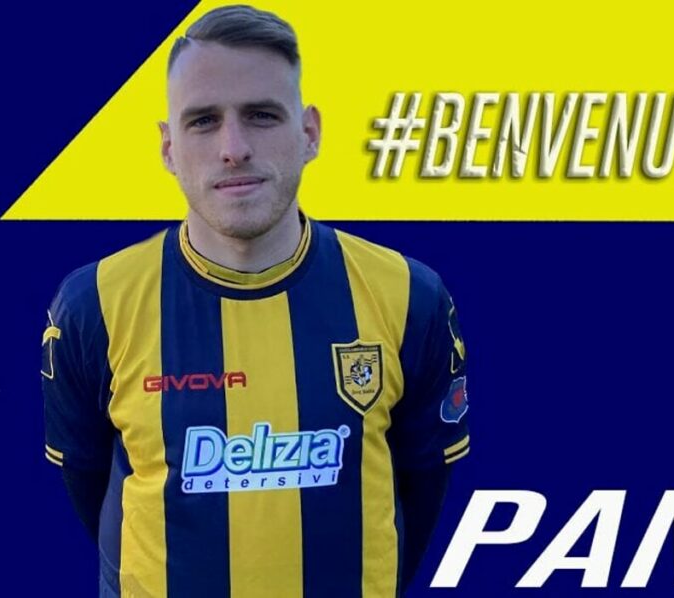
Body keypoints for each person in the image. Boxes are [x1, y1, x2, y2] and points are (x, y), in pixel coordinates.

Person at [41, 5, 469, 597]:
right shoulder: (94, 305)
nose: (234, 147)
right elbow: (92, 487)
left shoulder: (408, 296)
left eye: (262, 115)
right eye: (203, 121)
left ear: (310, 133)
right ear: (168, 147)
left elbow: (421, 489)